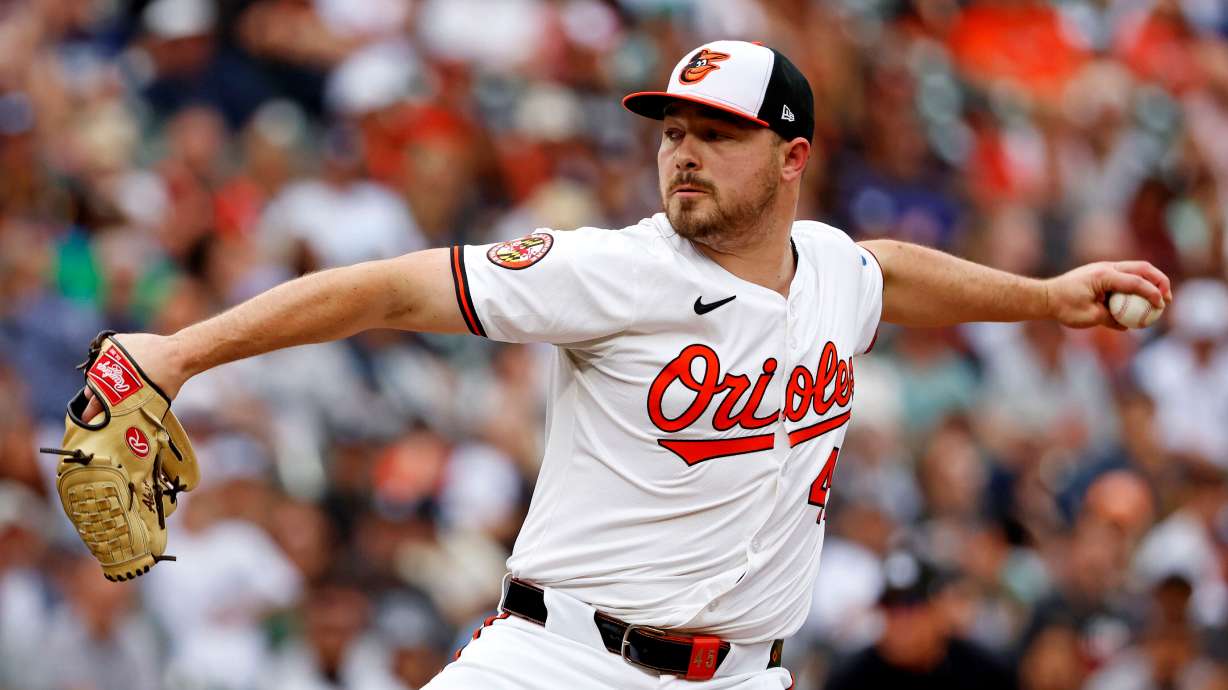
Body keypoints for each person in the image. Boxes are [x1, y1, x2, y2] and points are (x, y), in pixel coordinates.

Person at [78, 41, 1171, 689]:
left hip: (744, 673)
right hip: (560, 663)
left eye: (717, 132)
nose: (683, 150)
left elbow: (886, 269)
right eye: (672, 130)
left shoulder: (834, 272)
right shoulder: (615, 270)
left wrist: (1041, 298)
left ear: (791, 159)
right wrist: (181, 349)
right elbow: (390, 287)